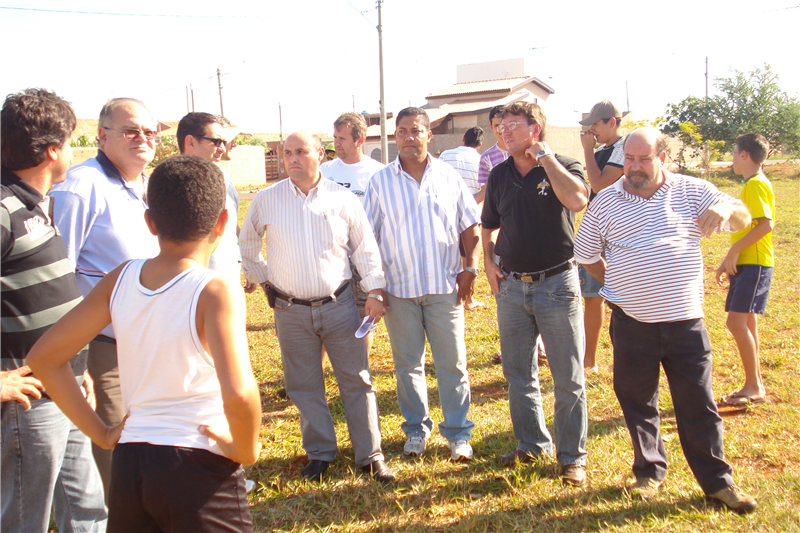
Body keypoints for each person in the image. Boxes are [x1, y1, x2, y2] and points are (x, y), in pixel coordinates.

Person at [28, 155, 262, 531]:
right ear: (222, 222)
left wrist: (101, 433)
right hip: (198, 462)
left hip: (129, 464)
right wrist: (246, 449)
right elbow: (238, 392)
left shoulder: (121, 276)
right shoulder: (216, 288)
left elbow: (43, 358)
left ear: (150, 221)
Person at [574, 127, 757, 512]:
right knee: (637, 401)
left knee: (698, 404)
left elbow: (742, 218)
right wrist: (620, 284)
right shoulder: (605, 202)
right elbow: (587, 254)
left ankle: (718, 483)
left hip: (685, 324)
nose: (635, 167)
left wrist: (725, 208)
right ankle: (648, 473)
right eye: (629, 159)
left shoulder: (693, 191)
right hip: (632, 323)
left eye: (643, 159)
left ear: (663, 159)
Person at [239, 131, 394, 483]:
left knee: (357, 381)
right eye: (286, 153)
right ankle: (321, 453)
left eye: (300, 152)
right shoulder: (267, 200)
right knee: (304, 385)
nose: (292, 159)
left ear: (319, 154)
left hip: (339, 306)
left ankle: (370, 456)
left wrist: (374, 291)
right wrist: (263, 279)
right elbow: (247, 242)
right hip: (290, 310)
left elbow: (365, 248)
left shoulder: (343, 199)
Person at [0, 88, 107, 532]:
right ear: (50, 151)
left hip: (64, 389)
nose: (71, 153)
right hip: (28, 407)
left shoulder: (35, 204)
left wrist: (72, 363)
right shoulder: (3, 209)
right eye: (68, 143)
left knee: (86, 514)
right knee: (25, 521)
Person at [50, 98, 160, 496]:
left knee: (145, 436)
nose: (143, 139)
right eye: (131, 131)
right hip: (102, 348)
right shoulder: (80, 188)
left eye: (150, 132)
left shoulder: (145, 185)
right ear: (101, 135)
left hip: (147, 342)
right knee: (112, 444)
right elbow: (57, 273)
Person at [481, 101, 589, 486]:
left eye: (512, 125)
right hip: (511, 287)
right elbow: (489, 224)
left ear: (535, 127)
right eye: (499, 127)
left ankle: (572, 457)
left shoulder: (565, 165)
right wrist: (488, 261)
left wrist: (545, 159)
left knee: (567, 376)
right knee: (518, 373)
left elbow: (577, 200)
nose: (504, 132)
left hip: (557, 284)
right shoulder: (498, 175)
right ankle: (530, 444)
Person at [364, 107, 481, 462]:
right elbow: (369, 237)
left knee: (453, 364)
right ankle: (416, 430)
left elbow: (469, 225)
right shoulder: (380, 182)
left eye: (416, 130)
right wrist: (376, 285)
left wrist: (470, 267)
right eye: (402, 131)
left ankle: (458, 434)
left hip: (444, 287)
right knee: (407, 366)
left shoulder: (447, 176)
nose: (409, 137)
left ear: (429, 135)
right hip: (399, 290)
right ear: (395, 136)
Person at [716, 133, 774, 407]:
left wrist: (734, 251)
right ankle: (755, 383)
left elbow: (765, 225)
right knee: (747, 323)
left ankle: (753, 386)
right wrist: (731, 258)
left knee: (735, 322)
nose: (732, 159)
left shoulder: (755, 185)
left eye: (734, 152)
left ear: (744, 155)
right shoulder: (753, 183)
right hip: (748, 264)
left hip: (755, 263)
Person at [321, 111, 385, 354]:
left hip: (362, 259)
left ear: (359, 141)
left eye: (343, 139)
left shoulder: (378, 173)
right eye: (335, 137)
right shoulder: (325, 171)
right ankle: (315, 373)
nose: (336, 143)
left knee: (363, 319)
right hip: (329, 257)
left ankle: (361, 372)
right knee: (324, 317)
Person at [577, 100, 626, 373]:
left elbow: (599, 184)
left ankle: (598, 359)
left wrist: (587, 151)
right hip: (599, 230)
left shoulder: (623, 149)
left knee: (614, 295)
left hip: (616, 233)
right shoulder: (605, 150)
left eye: (596, 124)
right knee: (592, 296)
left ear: (612, 122)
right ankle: (589, 360)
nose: (592, 130)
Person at [177, 112, 248, 286]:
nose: (222, 149)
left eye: (223, 142)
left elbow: (231, 224)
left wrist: (243, 261)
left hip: (228, 277)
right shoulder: (173, 182)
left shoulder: (223, 177)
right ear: (191, 142)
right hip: (193, 286)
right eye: (216, 142)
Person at [440, 126, 485, 310]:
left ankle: (449, 294)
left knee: (450, 255)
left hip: (445, 214)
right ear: (480, 144)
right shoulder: (481, 160)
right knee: (469, 258)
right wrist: (467, 207)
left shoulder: (445, 155)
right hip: (471, 217)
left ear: (463, 139)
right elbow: (484, 190)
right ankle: (468, 299)